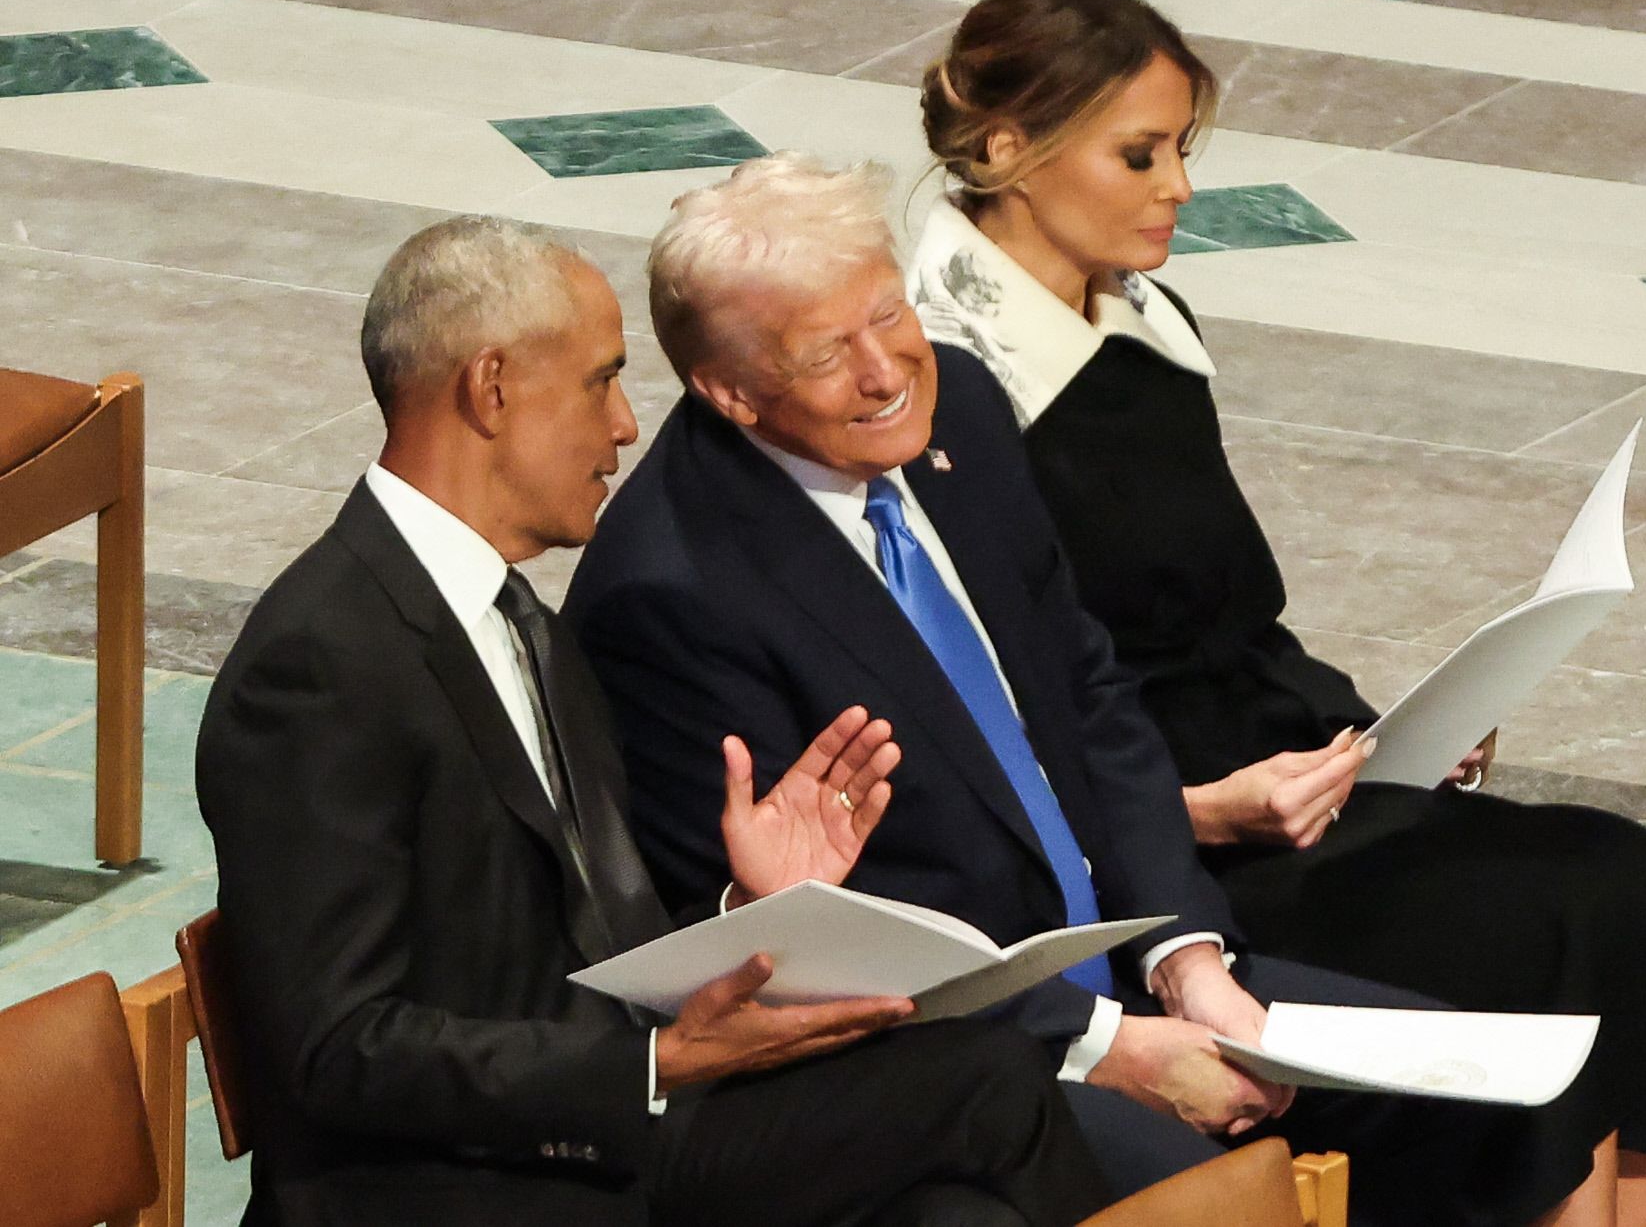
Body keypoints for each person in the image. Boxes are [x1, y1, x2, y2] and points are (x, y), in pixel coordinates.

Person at [905, 0, 1646, 1227]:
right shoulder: (944, 391)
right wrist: (1203, 813)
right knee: (1549, 929)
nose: (1180, 190)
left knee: (1625, 881)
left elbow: (1223, 618)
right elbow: (986, 707)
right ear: (1007, 150)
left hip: (1288, 785)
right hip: (1168, 861)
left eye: (1183, 151)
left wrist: (1395, 729)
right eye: (1140, 154)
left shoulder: (1149, 328)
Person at [567, 154, 1509, 1222]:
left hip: (1128, 955)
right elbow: (805, 943)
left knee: (1498, 1102)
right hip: (963, 1046)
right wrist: (1106, 1045)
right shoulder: (669, 593)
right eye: (830, 353)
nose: (888, 372)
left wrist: (1185, 955)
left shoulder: (957, 407)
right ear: (730, 391)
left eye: (889, 315)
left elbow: (1089, 698)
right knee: (1221, 1197)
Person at [194, 214, 1112, 1227]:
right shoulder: (319, 664)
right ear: (490, 389)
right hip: (455, 1185)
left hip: (603, 1128)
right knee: (987, 1081)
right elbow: (336, 1049)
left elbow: (582, 936)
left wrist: (748, 910)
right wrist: (646, 1064)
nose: (627, 424)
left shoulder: (520, 620)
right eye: (600, 379)